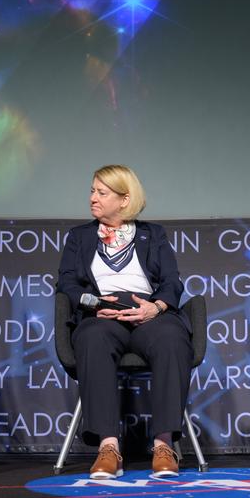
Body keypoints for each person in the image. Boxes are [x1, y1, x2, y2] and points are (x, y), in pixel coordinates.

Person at [56, 165, 193, 479]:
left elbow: (172, 281)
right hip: (102, 313)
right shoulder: (79, 237)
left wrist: (156, 307)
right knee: (92, 339)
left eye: (101, 193)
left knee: (173, 337)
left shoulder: (153, 234)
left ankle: (163, 444)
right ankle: (108, 447)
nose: (92, 198)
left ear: (124, 199)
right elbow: (66, 283)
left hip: (147, 311)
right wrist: (93, 304)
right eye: (92, 190)